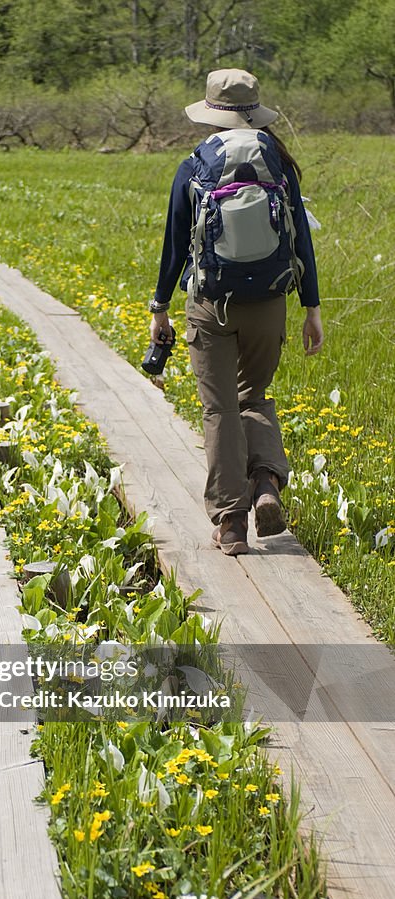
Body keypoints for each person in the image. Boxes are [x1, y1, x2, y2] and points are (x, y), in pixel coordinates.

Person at [149, 68, 324, 556]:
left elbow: (174, 247)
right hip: (268, 302)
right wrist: (311, 307)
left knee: (220, 409)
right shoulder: (280, 165)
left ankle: (230, 524)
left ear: (213, 114)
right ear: (254, 111)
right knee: (255, 395)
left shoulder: (193, 166)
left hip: (210, 304)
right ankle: (266, 481)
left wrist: (159, 308)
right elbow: (301, 241)